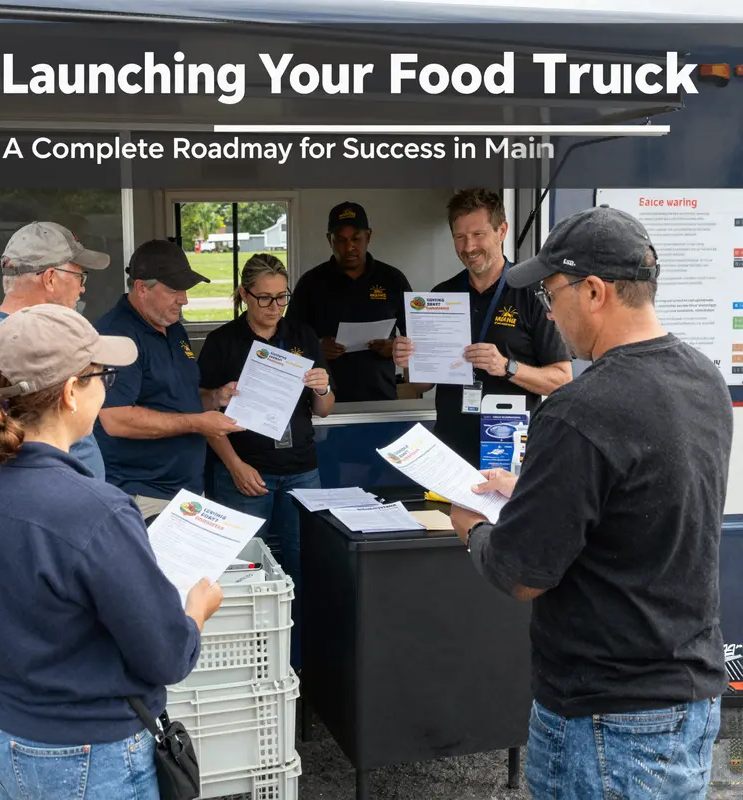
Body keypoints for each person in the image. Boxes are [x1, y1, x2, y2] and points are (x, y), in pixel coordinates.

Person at [448, 205, 732, 799]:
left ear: (595, 291)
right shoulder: (703, 376)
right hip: (687, 693)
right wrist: (532, 486)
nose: (549, 311)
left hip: (604, 716)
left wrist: (471, 525)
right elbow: (638, 497)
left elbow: (521, 573)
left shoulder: (580, 408)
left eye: (552, 294)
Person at [0, 304, 224, 800]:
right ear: (73, 391)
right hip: (86, 753)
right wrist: (197, 612)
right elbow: (167, 658)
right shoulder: (98, 510)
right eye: (104, 376)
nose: (105, 388)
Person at [198, 253, 334, 670]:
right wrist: (235, 465)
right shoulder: (223, 342)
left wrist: (324, 386)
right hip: (243, 468)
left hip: (300, 469)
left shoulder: (303, 335)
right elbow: (205, 413)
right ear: (243, 295)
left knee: (300, 571)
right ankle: (246, 669)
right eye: (264, 299)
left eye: (282, 298)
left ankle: (294, 668)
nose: (275, 308)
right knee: (240, 575)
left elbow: (325, 409)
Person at [393, 189, 572, 467]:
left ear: (502, 231)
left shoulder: (532, 294)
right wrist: (408, 361)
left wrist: (507, 367)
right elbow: (420, 384)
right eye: (459, 237)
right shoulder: (441, 296)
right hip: (451, 454)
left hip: (513, 455)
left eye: (478, 235)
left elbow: (562, 379)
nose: (468, 247)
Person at [93, 239, 241, 521]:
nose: (184, 298)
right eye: (174, 290)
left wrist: (215, 398)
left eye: (185, 290)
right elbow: (116, 419)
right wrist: (199, 422)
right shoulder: (116, 335)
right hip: (141, 495)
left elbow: (178, 398)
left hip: (185, 491)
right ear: (141, 288)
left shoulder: (172, 327)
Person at [0, 220, 109, 478]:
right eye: (80, 276)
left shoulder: (12, 338)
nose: (83, 287)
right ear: (51, 278)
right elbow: (3, 462)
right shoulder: (4, 345)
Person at [286, 201, 413, 402]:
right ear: (330, 240)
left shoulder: (392, 280)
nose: (350, 247)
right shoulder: (311, 283)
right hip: (324, 400)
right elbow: (289, 339)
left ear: (368, 236)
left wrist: (394, 347)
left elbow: (415, 337)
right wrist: (317, 347)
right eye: (341, 240)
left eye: (356, 239)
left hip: (380, 396)